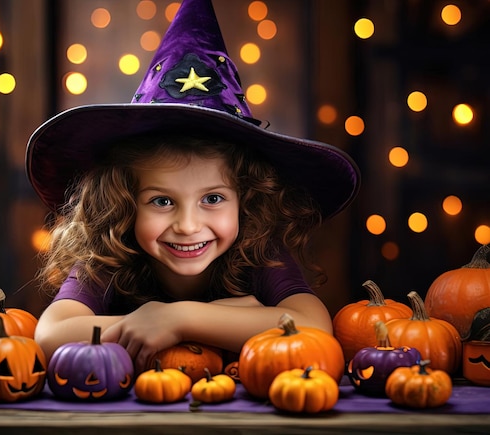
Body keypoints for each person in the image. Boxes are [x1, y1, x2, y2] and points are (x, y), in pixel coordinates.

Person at [26, 0, 360, 373]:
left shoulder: (258, 250)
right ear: (124, 203)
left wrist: (180, 319)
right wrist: (225, 317)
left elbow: (314, 326)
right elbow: (53, 333)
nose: (187, 225)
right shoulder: (110, 253)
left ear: (246, 201)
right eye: (162, 201)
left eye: (213, 198)